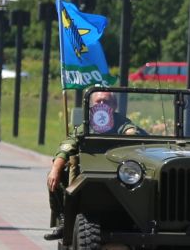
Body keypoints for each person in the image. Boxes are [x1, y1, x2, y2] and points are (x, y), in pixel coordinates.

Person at [44, 88, 143, 235]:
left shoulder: (120, 121)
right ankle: (65, 220)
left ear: (114, 105)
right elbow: (68, 145)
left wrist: (130, 134)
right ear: (91, 104)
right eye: (98, 101)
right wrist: (55, 168)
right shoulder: (86, 124)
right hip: (89, 169)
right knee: (55, 176)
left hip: (117, 170)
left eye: (106, 101)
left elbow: (132, 131)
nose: (102, 104)